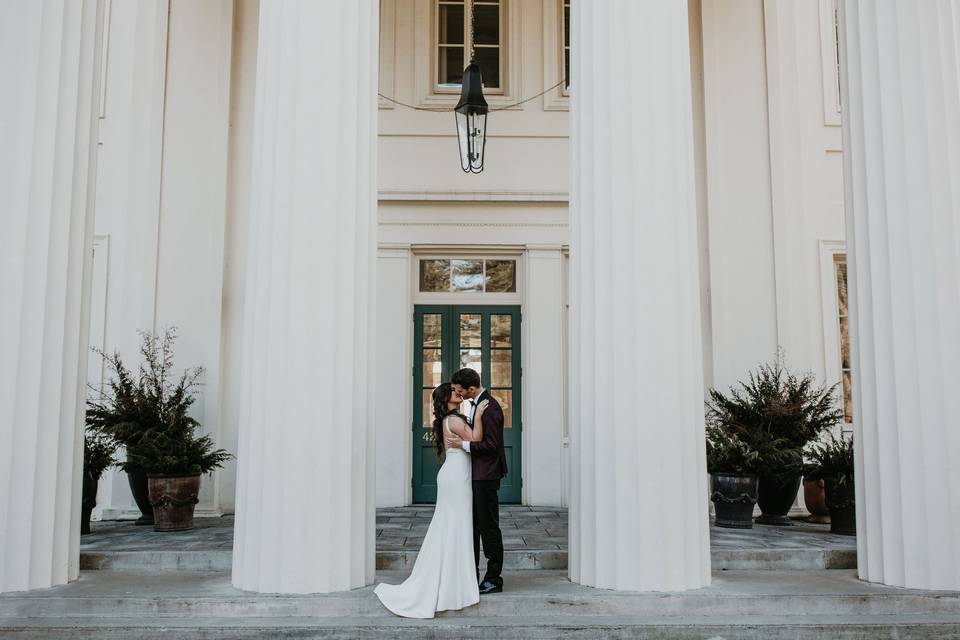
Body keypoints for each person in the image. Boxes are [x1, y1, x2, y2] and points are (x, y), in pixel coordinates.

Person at [374, 382, 487, 618]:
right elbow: (476, 438)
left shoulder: (451, 419)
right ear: (446, 398)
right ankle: (452, 583)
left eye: (459, 391)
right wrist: (480, 416)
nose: (458, 392)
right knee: (455, 526)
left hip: (454, 473)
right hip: (457, 476)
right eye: (453, 391)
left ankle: (452, 580)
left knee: (451, 526)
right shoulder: (455, 420)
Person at [446, 367, 507, 594]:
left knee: (489, 528)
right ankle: (472, 574)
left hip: (486, 476)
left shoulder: (490, 408)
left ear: (472, 389)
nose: (459, 395)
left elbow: (491, 446)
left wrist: (462, 445)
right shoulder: (477, 405)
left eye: (461, 392)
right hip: (477, 475)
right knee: (475, 526)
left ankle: (493, 579)